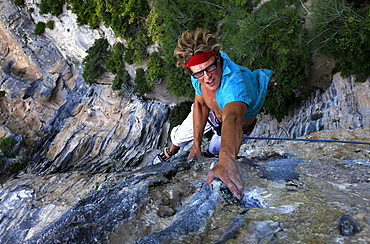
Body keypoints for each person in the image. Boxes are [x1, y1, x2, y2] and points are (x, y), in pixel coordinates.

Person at [156, 28, 272, 199]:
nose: (207, 77)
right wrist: (196, 145)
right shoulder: (198, 75)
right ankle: (169, 152)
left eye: (210, 68)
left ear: (218, 59)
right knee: (180, 137)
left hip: (231, 123)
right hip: (212, 114)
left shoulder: (234, 83)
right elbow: (201, 105)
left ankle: (209, 154)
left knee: (215, 150)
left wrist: (226, 160)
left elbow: (233, 119)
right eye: (199, 73)